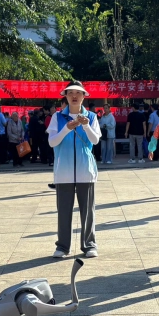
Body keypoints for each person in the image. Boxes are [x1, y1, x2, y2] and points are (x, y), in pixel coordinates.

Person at [47, 81, 101, 258]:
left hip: (86, 171)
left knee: (88, 211)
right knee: (63, 211)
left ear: (84, 96)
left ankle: (89, 245)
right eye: (70, 93)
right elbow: (52, 142)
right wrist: (67, 129)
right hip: (63, 171)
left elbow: (95, 141)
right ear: (66, 96)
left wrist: (85, 125)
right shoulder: (57, 117)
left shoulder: (91, 116)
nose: (74, 96)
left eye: (78, 93)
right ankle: (63, 246)